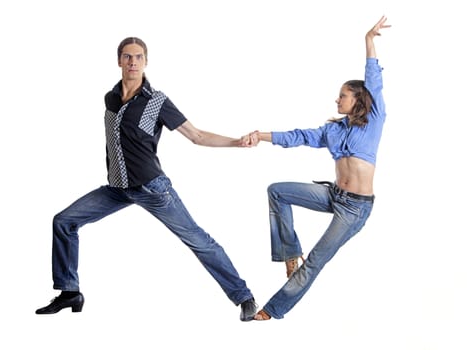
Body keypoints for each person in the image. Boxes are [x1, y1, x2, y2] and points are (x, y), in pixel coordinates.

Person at [35, 37, 258, 321]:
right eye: (127, 57)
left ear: (146, 62)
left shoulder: (157, 101)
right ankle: (70, 292)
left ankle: (244, 297)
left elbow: (197, 136)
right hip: (117, 189)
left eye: (138, 57)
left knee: (199, 240)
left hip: (153, 189)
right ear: (119, 61)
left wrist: (236, 142)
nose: (133, 62)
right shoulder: (111, 99)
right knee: (64, 221)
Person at [246, 16, 391, 320]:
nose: (337, 99)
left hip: (355, 210)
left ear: (358, 99)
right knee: (277, 192)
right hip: (334, 195)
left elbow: (373, 79)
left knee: (315, 261)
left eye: (343, 95)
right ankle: (288, 251)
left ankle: (273, 309)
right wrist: (263, 136)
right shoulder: (333, 131)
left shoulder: (374, 119)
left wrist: (369, 41)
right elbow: (298, 136)